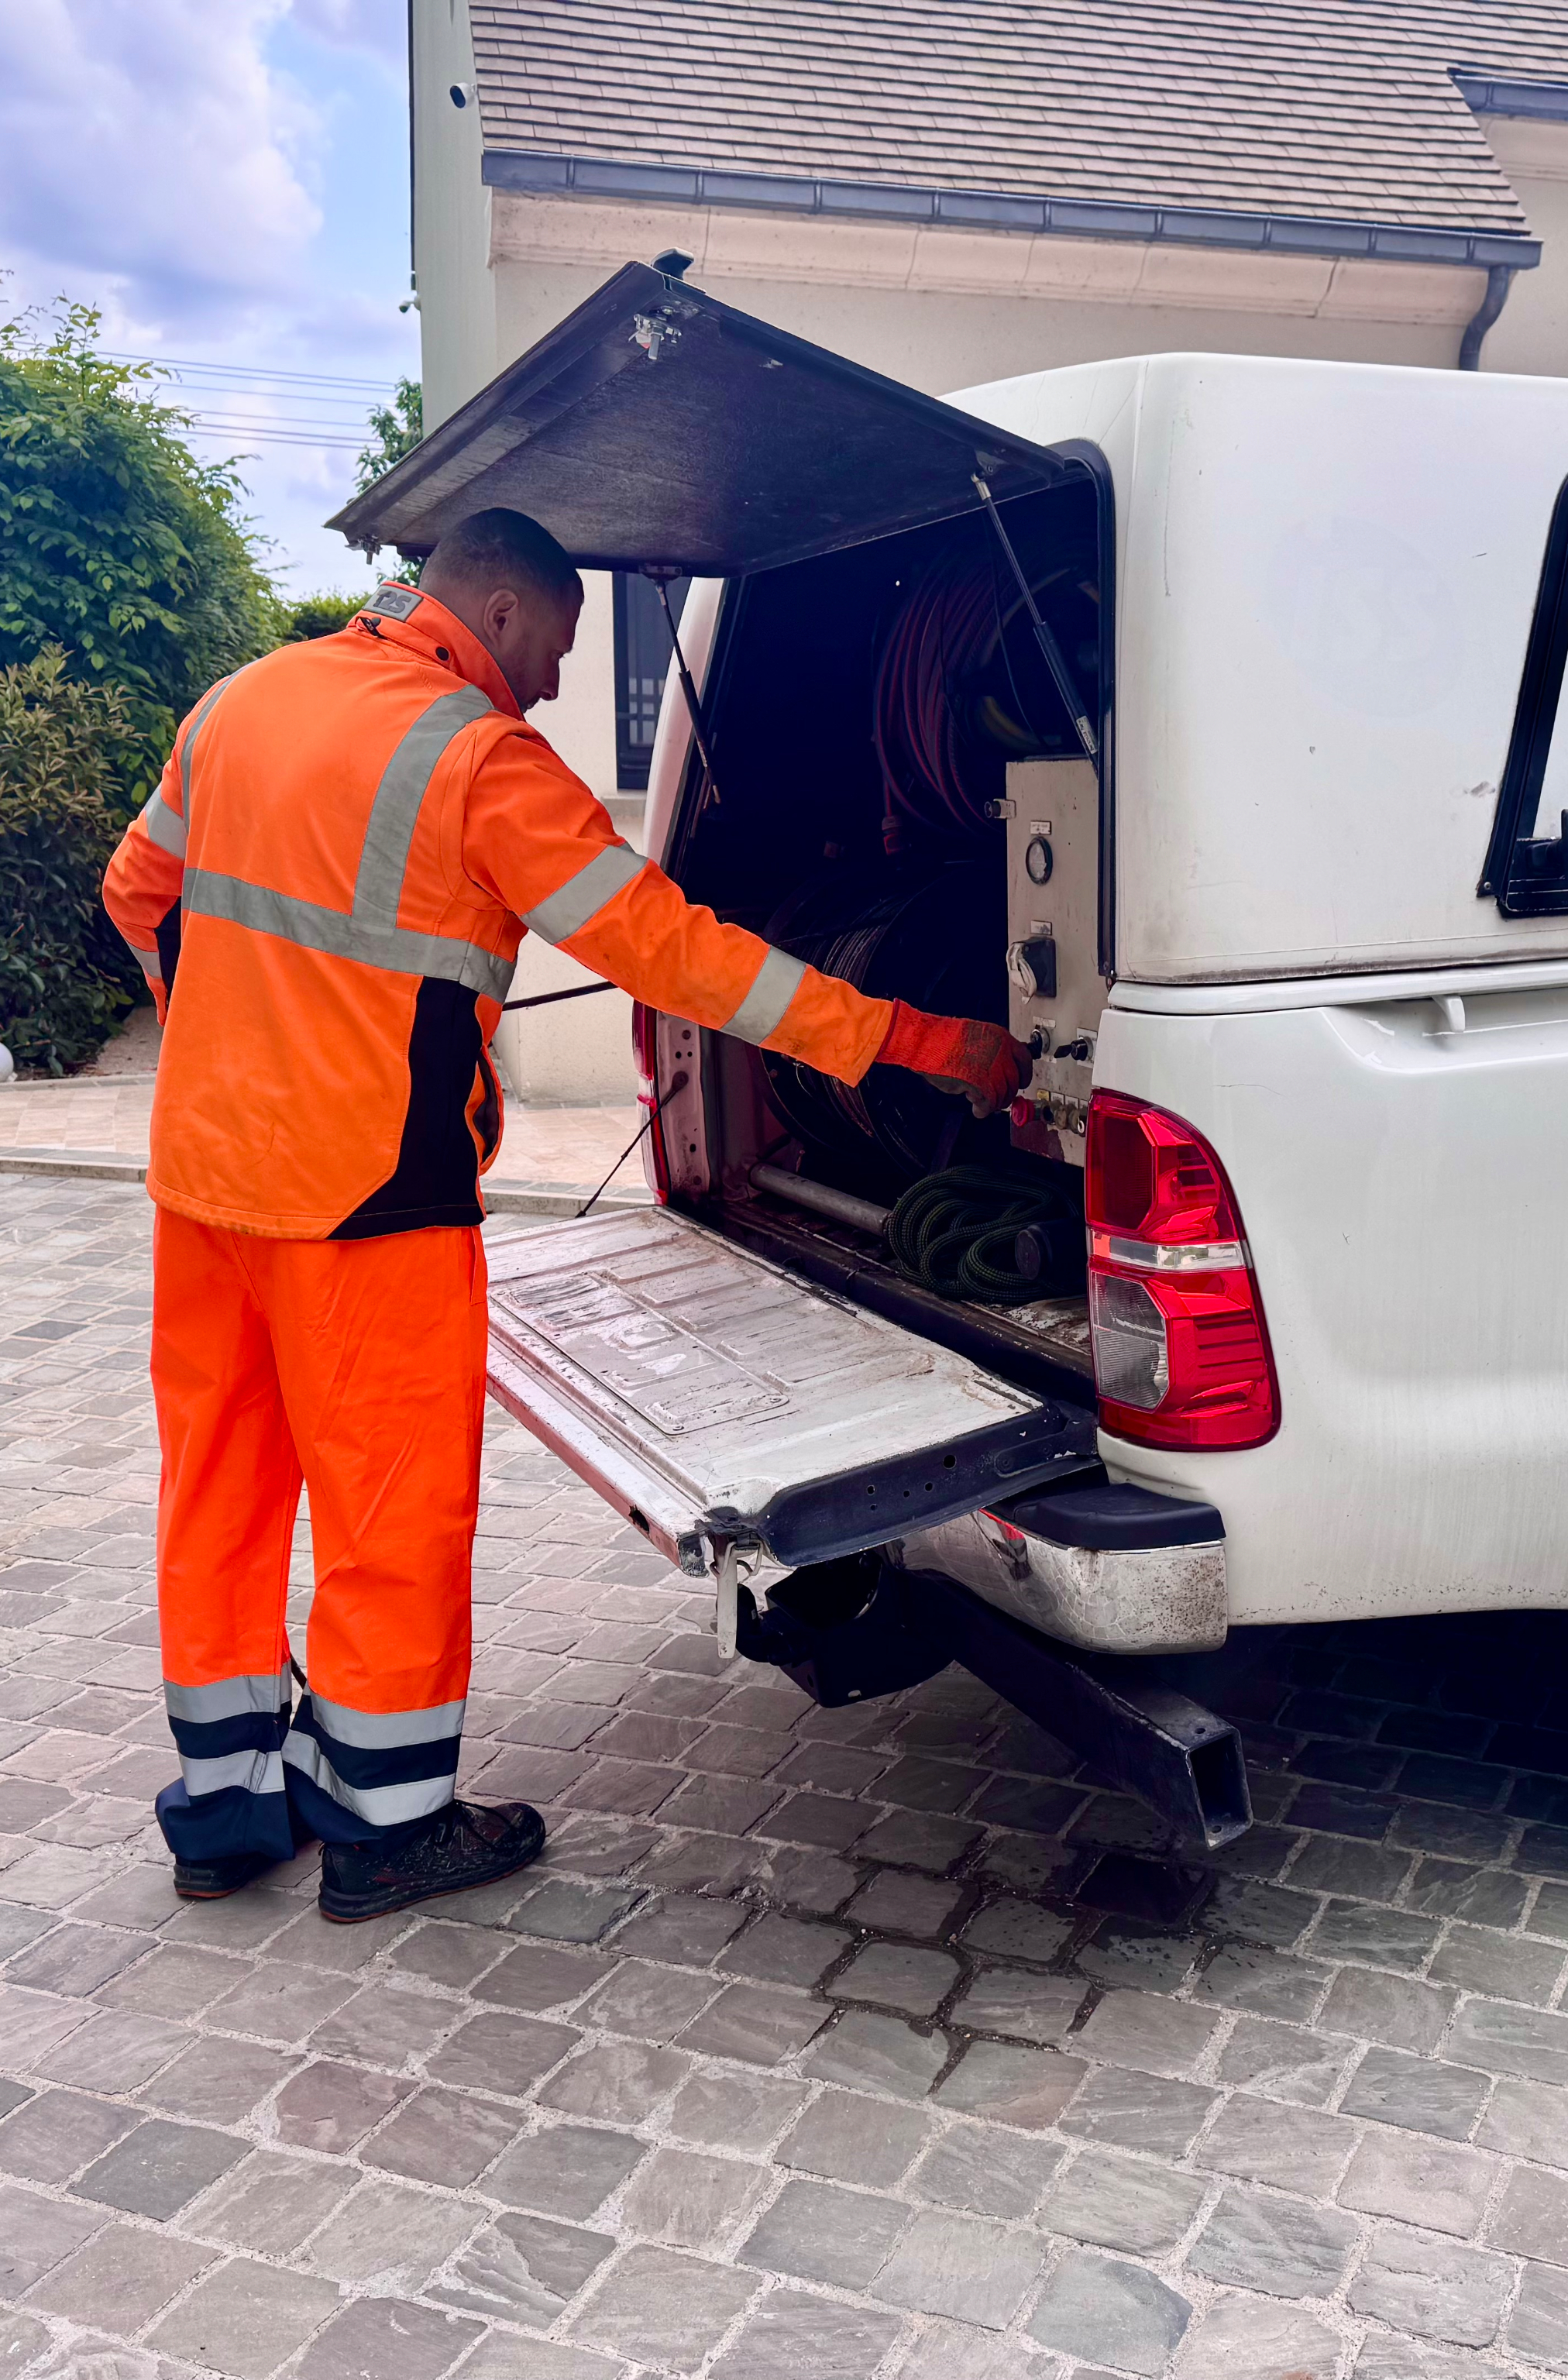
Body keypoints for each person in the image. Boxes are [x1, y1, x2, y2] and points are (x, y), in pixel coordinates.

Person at [101, 507, 1028, 1921]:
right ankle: (389, 1825)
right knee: (389, 1510)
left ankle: (222, 1811)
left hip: (206, 1183)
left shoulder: (242, 700)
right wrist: (916, 1042)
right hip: (372, 1199)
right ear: (501, 605)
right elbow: (674, 954)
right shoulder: (478, 758)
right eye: (556, 649)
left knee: (217, 1491)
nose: (549, 684)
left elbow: (137, 890)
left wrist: (234, 1043)